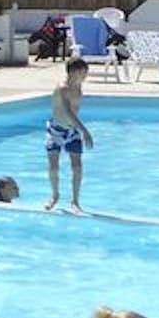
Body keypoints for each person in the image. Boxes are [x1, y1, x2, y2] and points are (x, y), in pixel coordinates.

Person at [45, 58, 94, 212]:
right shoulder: (62, 88)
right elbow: (68, 112)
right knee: (54, 167)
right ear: (73, 72)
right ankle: (54, 196)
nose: (85, 76)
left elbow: (75, 111)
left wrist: (78, 130)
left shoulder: (78, 87)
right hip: (56, 131)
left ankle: (75, 201)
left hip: (72, 131)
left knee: (77, 167)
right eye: (83, 72)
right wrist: (85, 131)